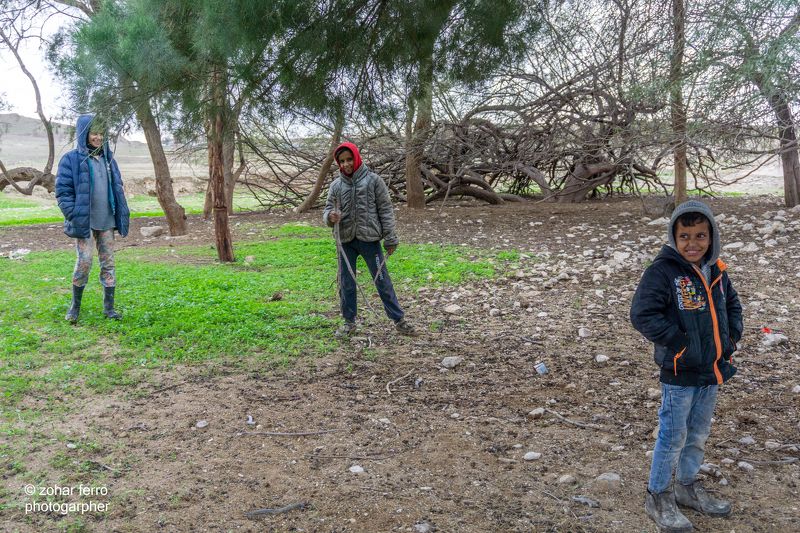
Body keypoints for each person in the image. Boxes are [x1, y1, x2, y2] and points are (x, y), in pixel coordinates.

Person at [630, 199, 743, 532]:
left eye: (700, 236)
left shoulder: (717, 270)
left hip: (712, 370)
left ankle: (686, 485)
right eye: (685, 236)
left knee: (698, 433)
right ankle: (659, 495)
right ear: (674, 237)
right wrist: (679, 343)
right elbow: (642, 314)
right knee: (673, 435)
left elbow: (733, 305)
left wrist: (731, 338)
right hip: (680, 373)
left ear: (711, 237)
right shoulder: (663, 271)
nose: (692, 243)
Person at [322, 142, 416, 337]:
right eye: (342, 161)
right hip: (345, 241)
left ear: (356, 158)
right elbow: (328, 209)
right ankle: (349, 323)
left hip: (370, 240)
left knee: (382, 280)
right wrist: (330, 216)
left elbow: (386, 210)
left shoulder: (374, 181)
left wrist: (390, 238)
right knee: (346, 283)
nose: (346, 164)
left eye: (349, 159)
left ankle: (399, 320)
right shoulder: (336, 186)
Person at [55, 114, 130, 323]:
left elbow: (118, 187)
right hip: (84, 222)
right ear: (84, 134)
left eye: (101, 133)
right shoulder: (71, 159)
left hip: (107, 221)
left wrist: (121, 212)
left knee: (108, 263)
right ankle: (75, 307)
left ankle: (109, 309)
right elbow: (62, 192)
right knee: (85, 261)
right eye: (93, 133)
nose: (98, 137)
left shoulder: (109, 160)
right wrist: (74, 215)